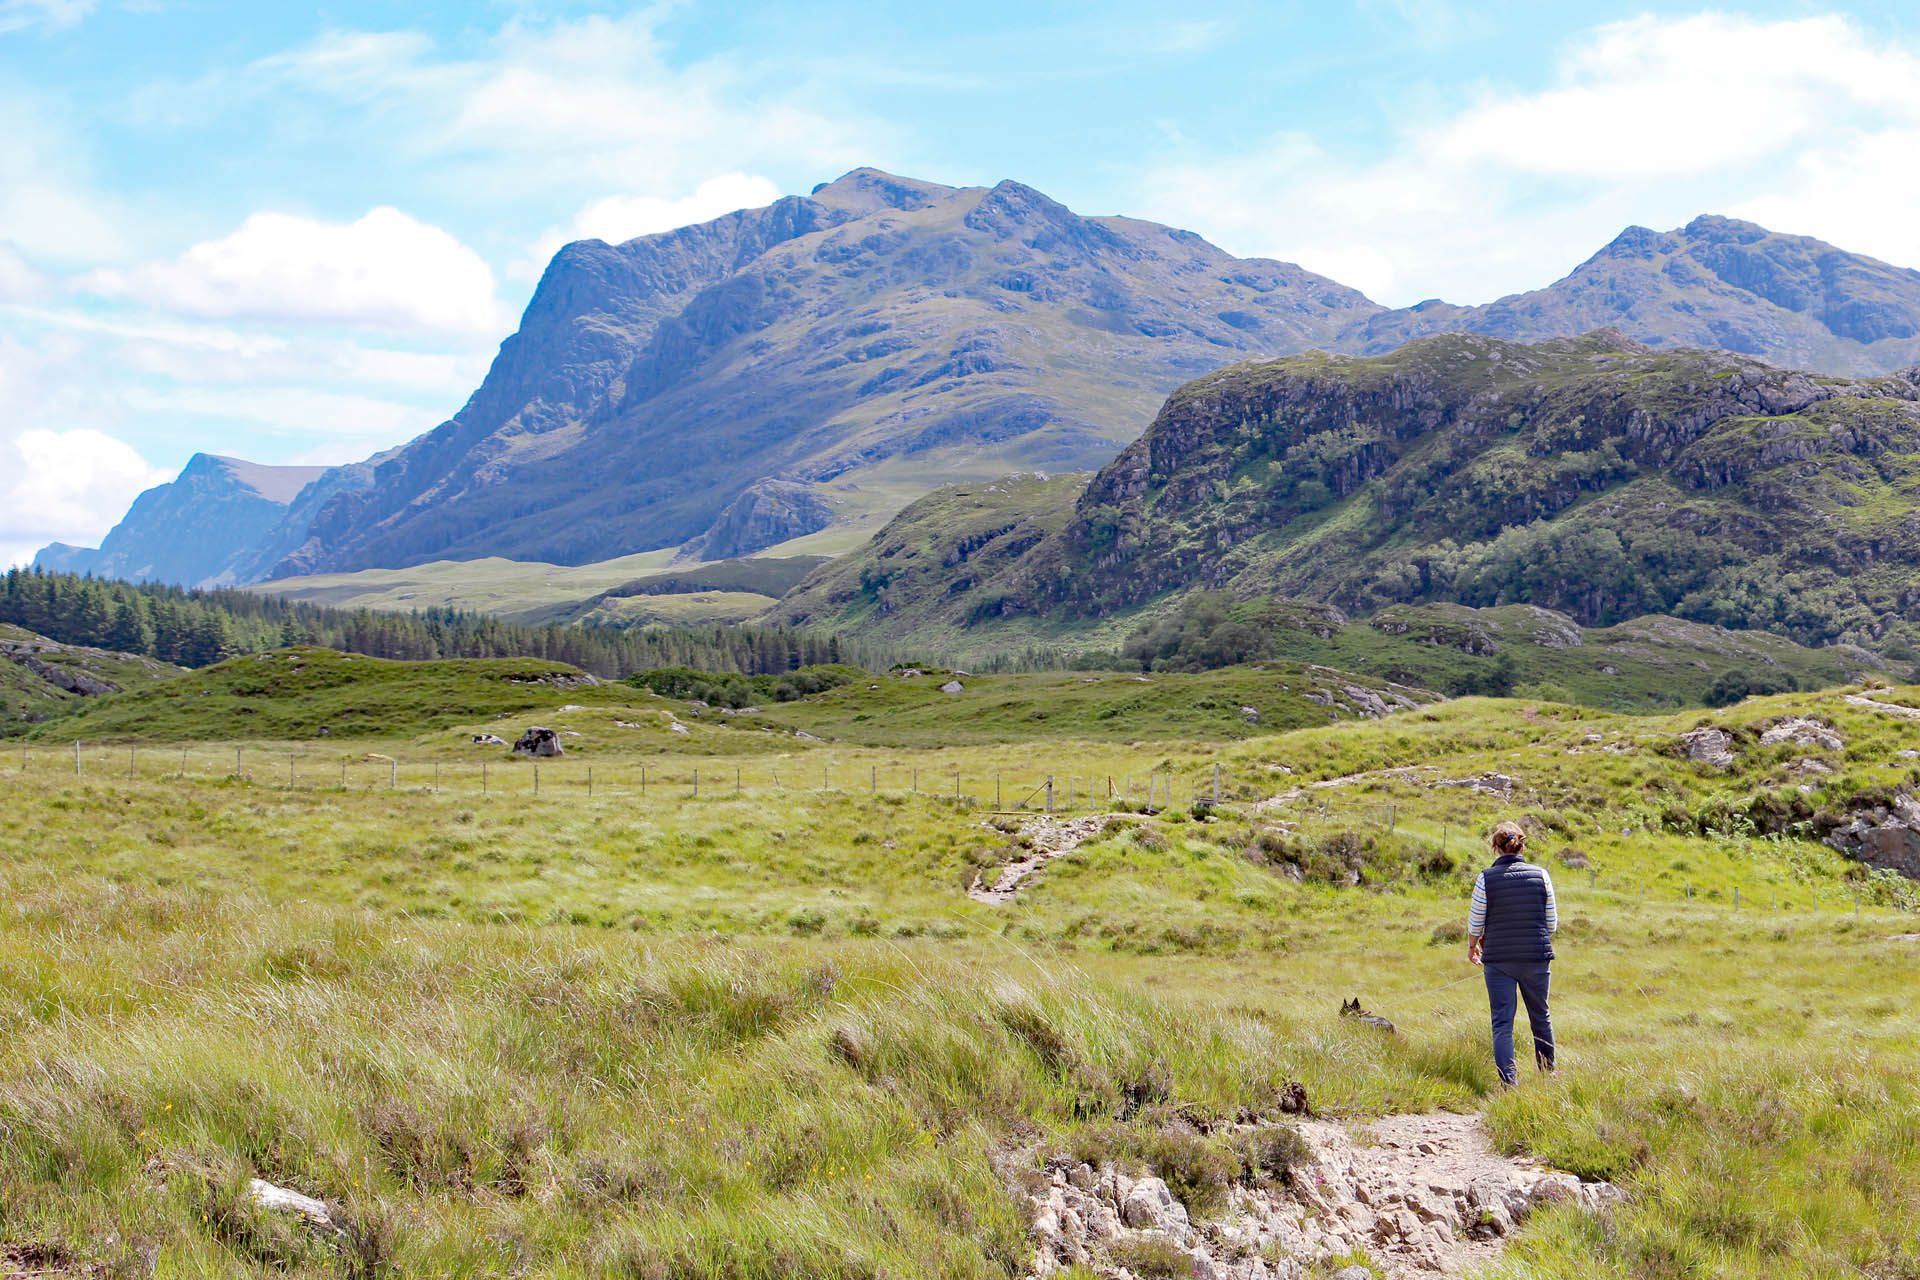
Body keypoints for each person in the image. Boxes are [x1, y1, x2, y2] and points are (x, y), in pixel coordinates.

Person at [1466, 820, 1556, 1087]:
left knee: (1502, 1023)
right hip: (1536, 958)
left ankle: (1509, 1083)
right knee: (1541, 1016)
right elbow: (1551, 923)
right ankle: (1547, 1076)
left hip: (1499, 962)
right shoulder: (1541, 875)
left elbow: (1475, 922)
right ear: (1522, 846)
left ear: (1495, 847)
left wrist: (1473, 946)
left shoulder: (1486, 878)